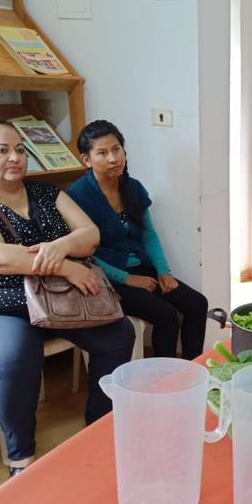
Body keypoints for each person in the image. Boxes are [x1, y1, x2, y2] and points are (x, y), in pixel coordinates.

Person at [0, 118, 135, 476]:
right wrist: (65, 267)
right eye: (2, 150)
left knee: (118, 333)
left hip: (51, 300)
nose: (15, 157)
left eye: (20, 149)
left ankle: (100, 425)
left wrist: (59, 247)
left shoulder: (45, 192)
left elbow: (89, 234)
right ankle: (21, 459)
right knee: (17, 351)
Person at [69, 120, 208, 359]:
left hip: (142, 269)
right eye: (102, 153)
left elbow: (149, 235)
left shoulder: (132, 187)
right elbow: (85, 255)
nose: (113, 158)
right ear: (87, 159)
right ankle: (165, 381)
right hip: (106, 279)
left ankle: (193, 371)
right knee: (166, 316)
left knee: (197, 304)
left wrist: (163, 271)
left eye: (116, 149)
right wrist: (127, 278)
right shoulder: (77, 196)